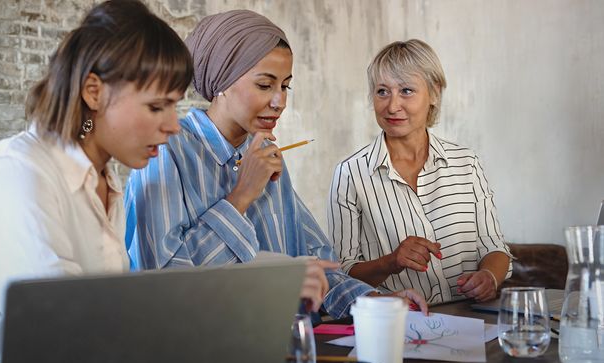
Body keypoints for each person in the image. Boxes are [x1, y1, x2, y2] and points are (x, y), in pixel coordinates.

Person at [0, 0, 193, 363]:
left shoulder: (105, 182)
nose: (174, 126)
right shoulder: (16, 172)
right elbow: (62, 328)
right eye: (157, 106)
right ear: (93, 91)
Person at [124, 10, 428, 319]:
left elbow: (315, 264)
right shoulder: (164, 150)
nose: (279, 101)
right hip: (204, 356)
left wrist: (373, 300)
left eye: (285, 86)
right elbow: (165, 285)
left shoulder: (266, 152)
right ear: (222, 82)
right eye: (265, 85)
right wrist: (242, 196)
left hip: (286, 347)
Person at [328, 39, 512, 305]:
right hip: (401, 324)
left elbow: (495, 247)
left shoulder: (467, 163)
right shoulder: (350, 174)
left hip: (469, 319)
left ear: (434, 93)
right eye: (382, 91)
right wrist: (391, 262)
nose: (392, 106)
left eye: (406, 90)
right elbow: (342, 273)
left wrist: (489, 277)